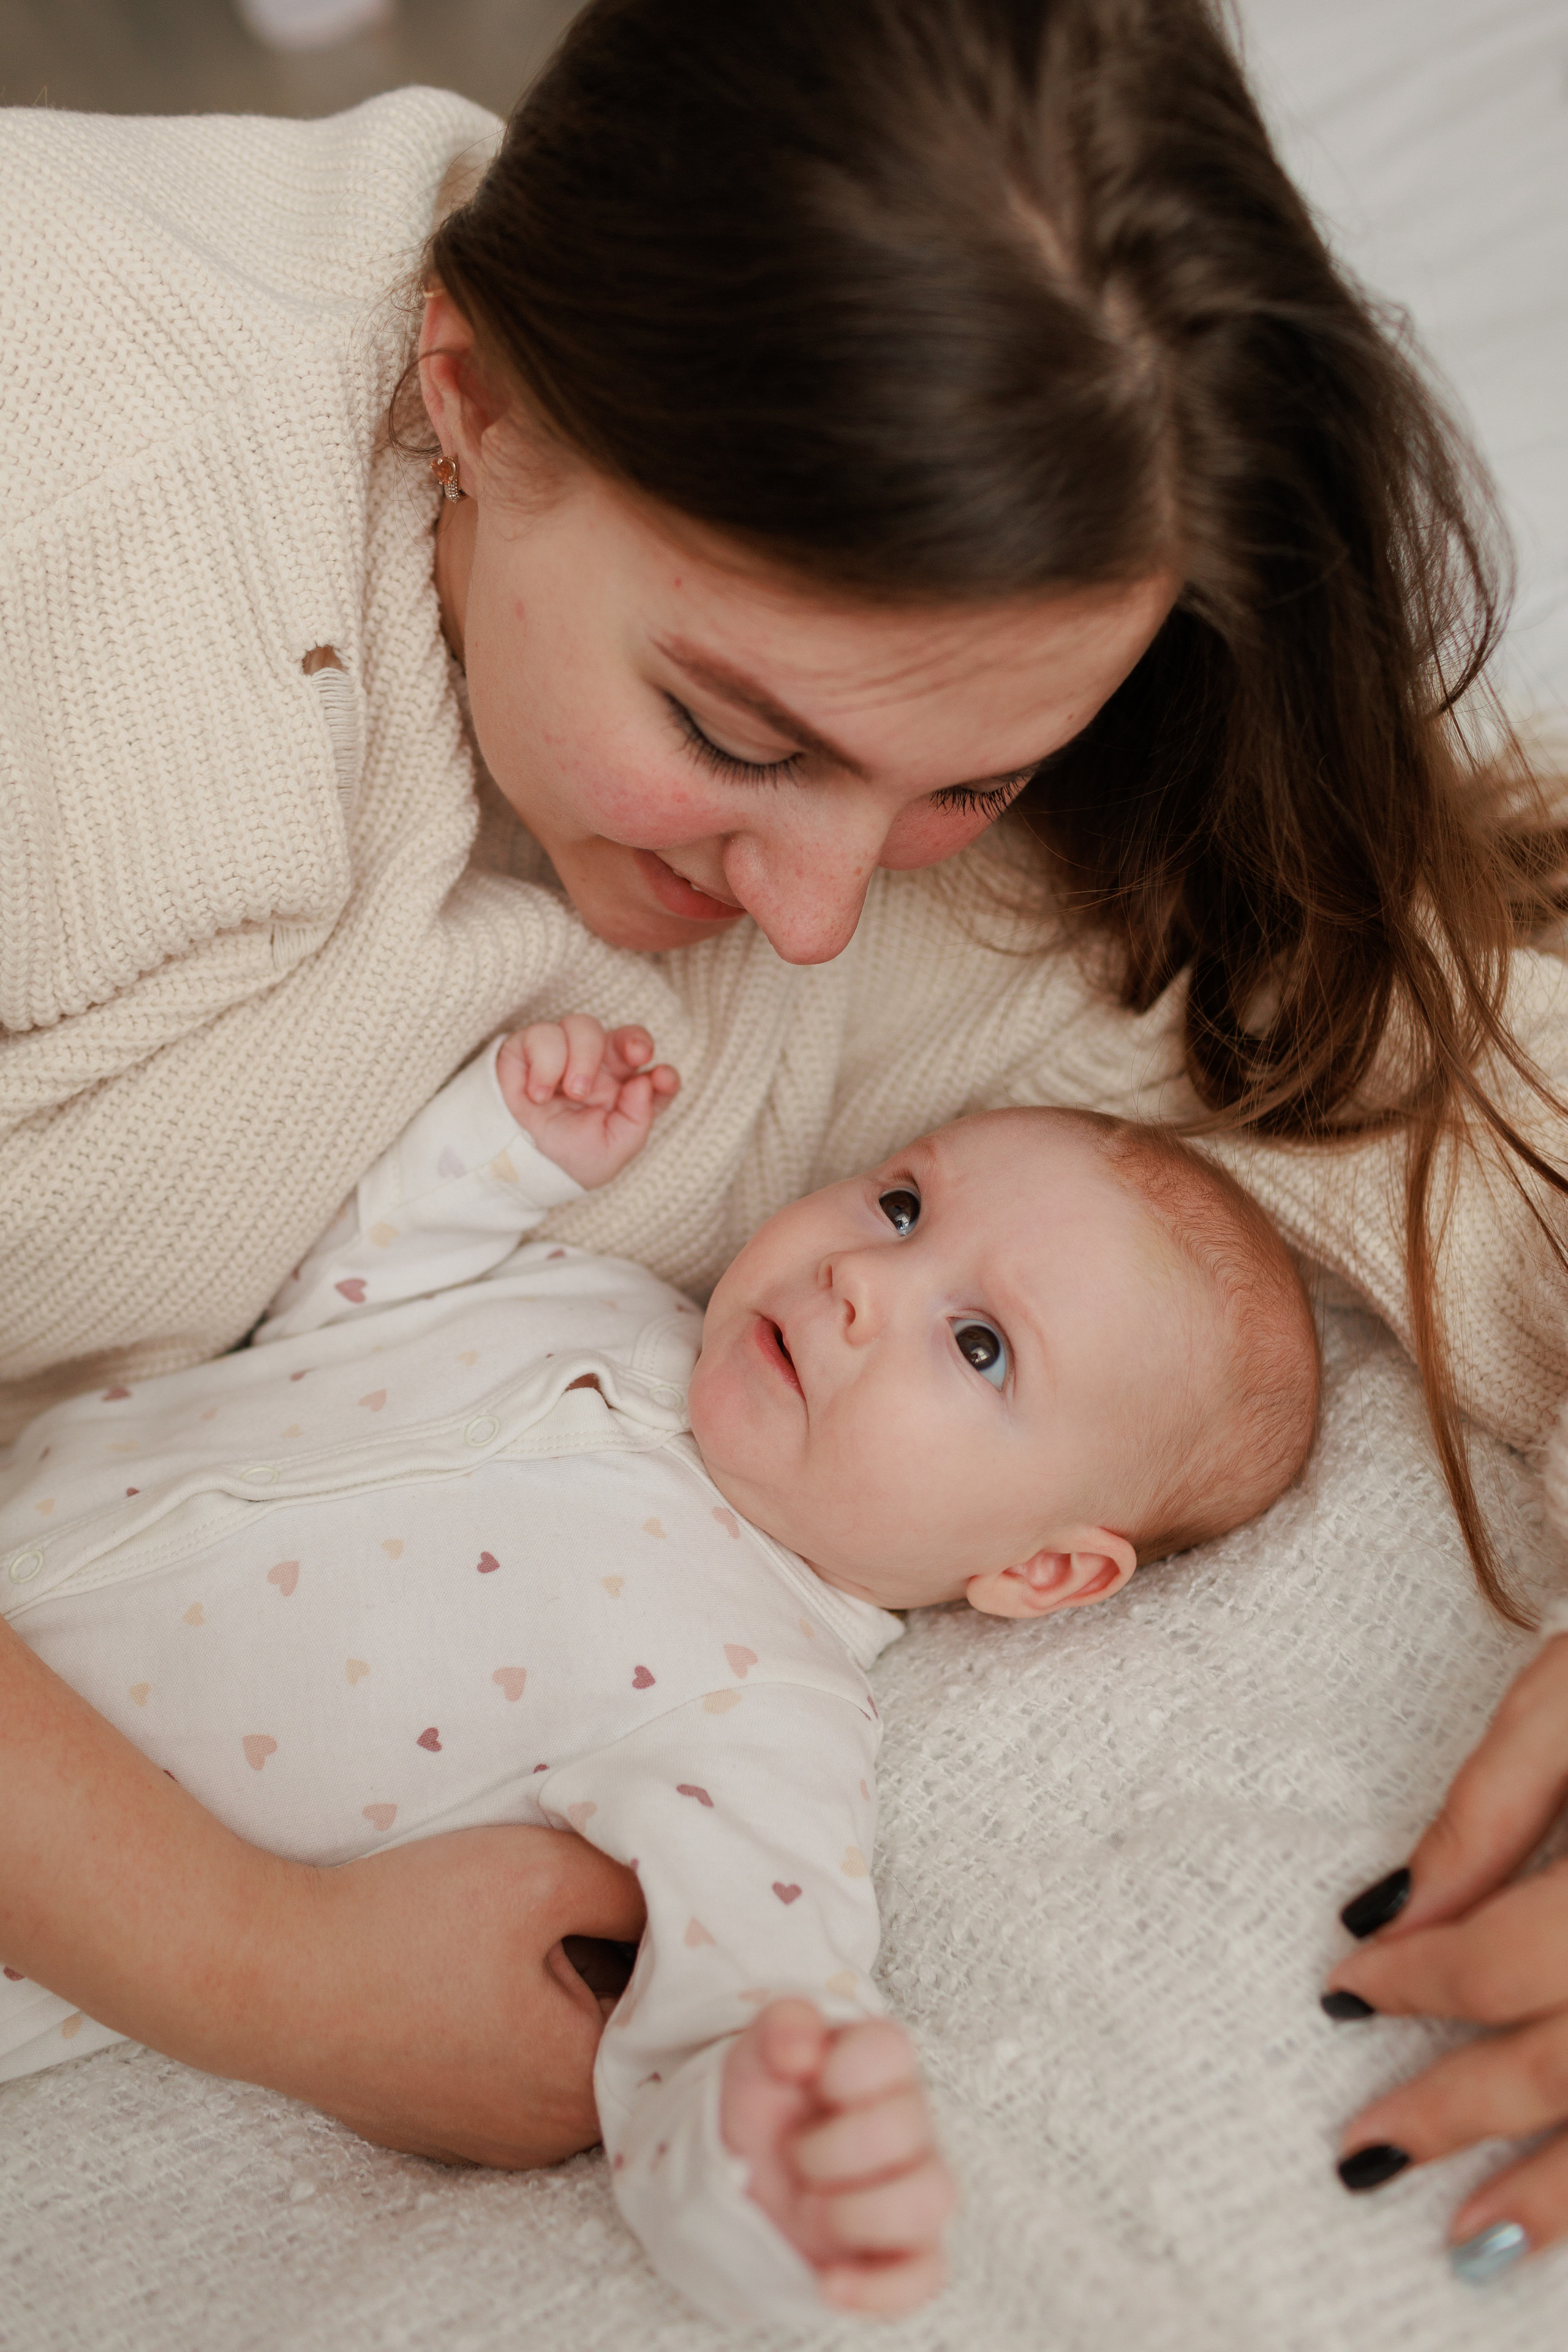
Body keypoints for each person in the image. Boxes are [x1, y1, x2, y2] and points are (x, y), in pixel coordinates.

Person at [3, 0, 1567, 2234]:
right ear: (471, 393)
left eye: (976, 781)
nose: (818, 914)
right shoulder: (72, 500)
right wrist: (271, 1967)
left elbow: (1473, 1090)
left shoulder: (1000, 863)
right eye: (738, 738)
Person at [0, 1011, 1318, 2322]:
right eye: (903, 1206)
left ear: (1043, 1571)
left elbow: (735, 2008)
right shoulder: (608, 1298)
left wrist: (777, 2166)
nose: (862, 1277)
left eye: (979, 1346)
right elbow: (337, 1311)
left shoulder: (764, 1707)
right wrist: (499, 1155)